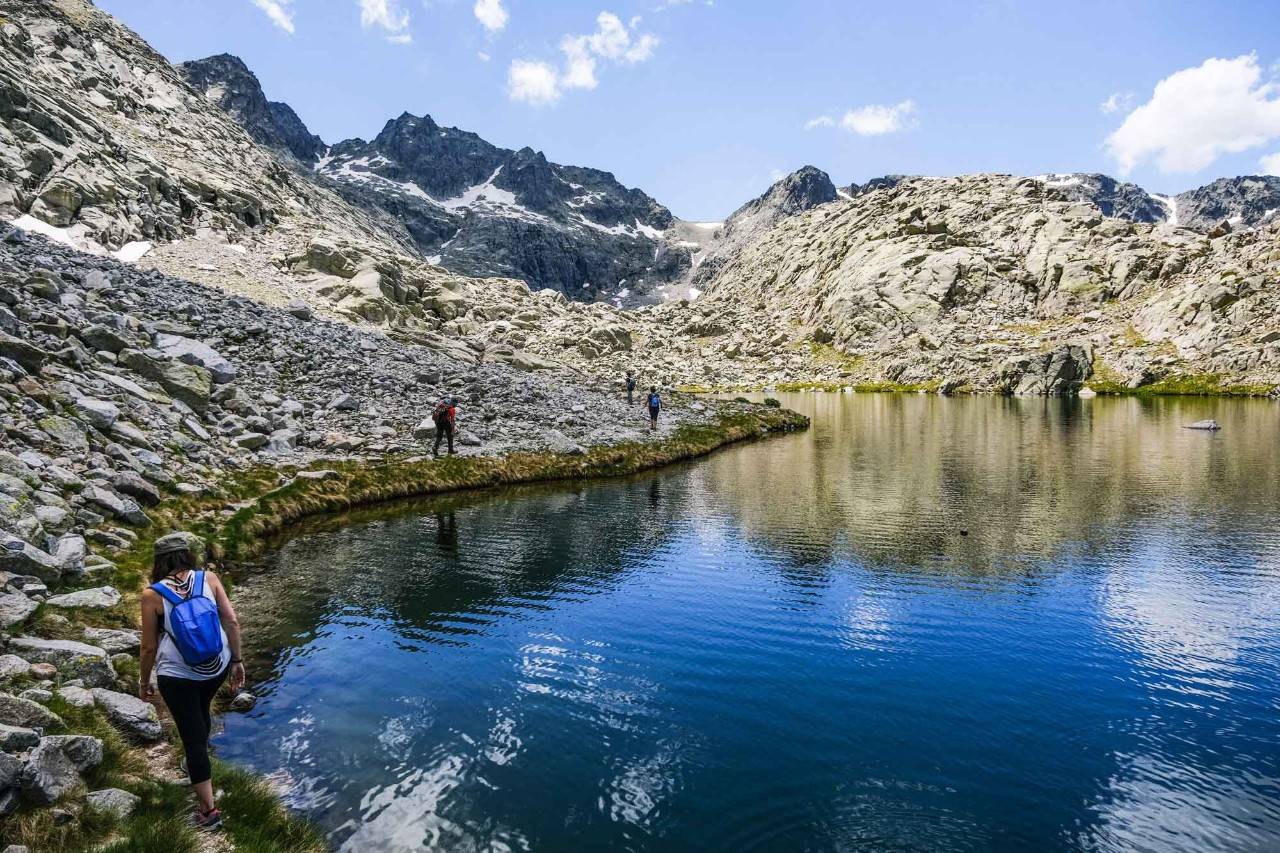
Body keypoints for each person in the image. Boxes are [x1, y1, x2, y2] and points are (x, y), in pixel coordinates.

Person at [139, 533, 244, 831]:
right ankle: (199, 762)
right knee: (200, 712)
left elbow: (148, 647)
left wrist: (143, 682)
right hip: (217, 666)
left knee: (192, 737)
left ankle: (209, 812)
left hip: (178, 675)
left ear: (159, 561)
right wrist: (236, 661)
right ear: (187, 555)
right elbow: (232, 622)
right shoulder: (208, 578)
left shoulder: (153, 594)